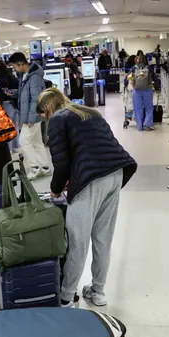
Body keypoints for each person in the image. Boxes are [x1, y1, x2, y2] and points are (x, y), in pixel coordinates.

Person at [36, 88, 137, 308]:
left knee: (77, 241)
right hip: (116, 173)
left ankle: (65, 296)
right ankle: (98, 291)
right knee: (102, 239)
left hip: (92, 180)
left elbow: (61, 163)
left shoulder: (58, 120)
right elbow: (89, 149)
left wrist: (54, 190)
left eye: (42, 112)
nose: (42, 117)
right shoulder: (89, 112)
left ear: (48, 107)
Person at [9, 52, 51, 180]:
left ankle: (35, 167)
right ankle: (45, 167)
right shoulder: (26, 75)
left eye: (14, 66)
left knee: (24, 141)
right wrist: (14, 93)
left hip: (33, 116)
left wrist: (32, 118)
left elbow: (36, 99)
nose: (14, 69)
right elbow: (26, 95)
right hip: (31, 114)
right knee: (37, 141)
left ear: (20, 64)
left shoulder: (34, 77)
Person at [0, 61, 20, 152]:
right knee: (15, 125)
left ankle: (9, 148)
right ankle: (15, 146)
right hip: (15, 105)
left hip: (6, 104)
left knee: (7, 127)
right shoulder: (13, 79)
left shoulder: (0, 81)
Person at [130, 55, 154, 131]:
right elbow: (155, 78)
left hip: (136, 90)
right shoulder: (149, 68)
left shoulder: (134, 68)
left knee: (138, 108)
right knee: (149, 107)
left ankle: (140, 126)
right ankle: (148, 123)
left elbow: (128, 77)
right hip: (147, 89)